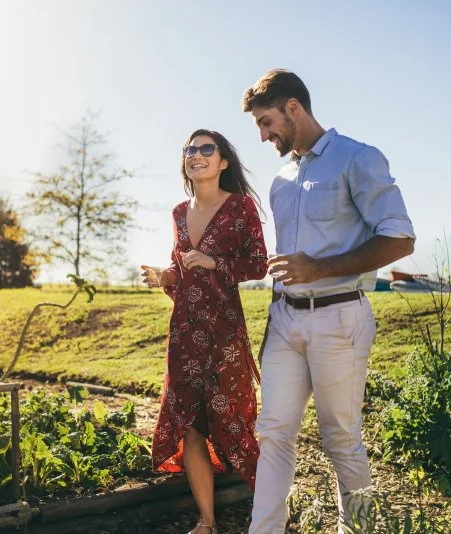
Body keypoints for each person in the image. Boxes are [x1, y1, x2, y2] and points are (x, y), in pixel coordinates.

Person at [241, 69, 416, 533]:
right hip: (284, 320)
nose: (263, 135)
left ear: (293, 107)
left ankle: (356, 530)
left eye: (266, 122)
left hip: (340, 317)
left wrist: (319, 268)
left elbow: (400, 240)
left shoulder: (357, 158)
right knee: (273, 431)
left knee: (340, 437)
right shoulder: (281, 179)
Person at [142, 129, 268, 534]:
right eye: (190, 149)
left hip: (225, 333)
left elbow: (258, 264)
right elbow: (180, 271)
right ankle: (207, 521)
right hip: (184, 333)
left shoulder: (241, 207)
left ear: (223, 162)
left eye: (206, 149)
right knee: (191, 423)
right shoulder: (179, 212)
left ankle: (270, 508)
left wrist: (216, 264)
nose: (196, 155)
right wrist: (165, 276)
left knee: (232, 419)